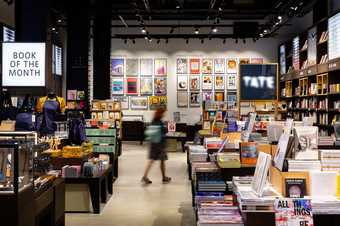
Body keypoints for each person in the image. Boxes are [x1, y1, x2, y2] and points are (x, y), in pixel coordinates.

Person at [142, 108, 171, 184]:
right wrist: (166, 127)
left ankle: (145, 176)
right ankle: (164, 177)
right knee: (162, 161)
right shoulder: (159, 122)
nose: (164, 114)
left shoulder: (153, 121)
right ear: (161, 113)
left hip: (153, 143)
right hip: (160, 144)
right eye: (163, 113)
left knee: (152, 160)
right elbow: (164, 132)